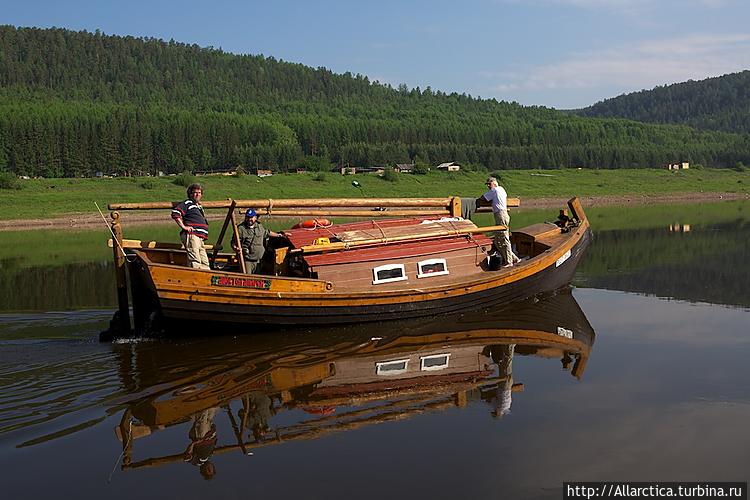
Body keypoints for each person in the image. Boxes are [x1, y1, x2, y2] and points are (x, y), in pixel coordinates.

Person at [478, 177, 519, 267]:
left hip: (501, 215)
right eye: (487, 184)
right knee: (498, 240)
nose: (488, 186)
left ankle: (509, 262)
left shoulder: (494, 190)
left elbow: (483, 198)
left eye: (489, 184)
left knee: (504, 238)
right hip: (503, 215)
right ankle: (514, 259)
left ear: (494, 183)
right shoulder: (502, 189)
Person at [231, 208, 286, 274]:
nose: (249, 219)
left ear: (255, 217)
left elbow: (267, 232)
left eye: (251, 217)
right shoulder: (241, 228)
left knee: (258, 278)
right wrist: (236, 248)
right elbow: (233, 242)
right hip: (247, 260)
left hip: (259, 260)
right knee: (248, 278)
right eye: (247, 217)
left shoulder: (259, 226)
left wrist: (279, 235)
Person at [172, 183, 210, 270]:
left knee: (205, 263)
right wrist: (184, 227)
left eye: (199, 193)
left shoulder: (199, 206)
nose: (197, 194)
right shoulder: (187, 203)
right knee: (195, 261)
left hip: (200, 238)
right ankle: (196, 280)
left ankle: (205, 281)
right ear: (190, 194)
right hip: (192, 235)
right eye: (195, 192)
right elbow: (176, 213)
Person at [183, 407, 218, 480]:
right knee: (212, 408)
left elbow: (187, 457)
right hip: (208, 432)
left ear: (203, 470)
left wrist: (193, 443)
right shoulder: (209, 455)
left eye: (208, 470)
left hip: (200, 435)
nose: (209, 468)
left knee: (203, 412)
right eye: (211, 469)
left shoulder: (198, 462)